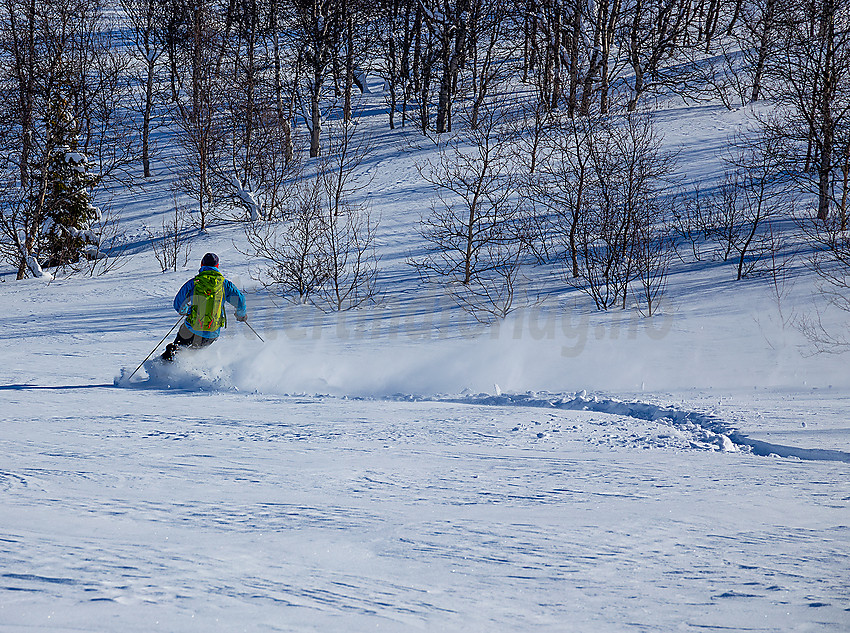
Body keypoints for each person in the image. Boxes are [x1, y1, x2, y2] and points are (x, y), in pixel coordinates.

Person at [161, 253, 247, 361]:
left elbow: (178, 305)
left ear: (201, 264)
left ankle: (163, 368)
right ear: (217, 266)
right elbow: (241, 301)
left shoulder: (193, 283)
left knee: (177, 352)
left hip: (190, 329)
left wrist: (188, 311)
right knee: (189, 356)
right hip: (211, 333)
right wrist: (241, 315)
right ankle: (186, 371)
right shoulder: (225, 285)